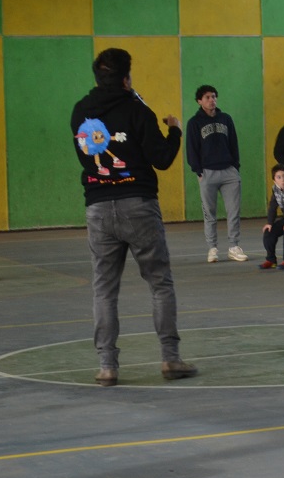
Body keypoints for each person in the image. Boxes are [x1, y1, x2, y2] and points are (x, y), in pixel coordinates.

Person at [71, 47, 197, 386]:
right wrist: (174, 130)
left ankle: (107, 366)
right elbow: (162, 159)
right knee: (160, 283)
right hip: (138, 204)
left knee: (104, 290)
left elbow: (87, 154)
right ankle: (170, 359)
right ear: (126, 78)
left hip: (98, 207)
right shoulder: (137, 110)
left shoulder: (80, 112)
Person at [186, 84, 248, 264]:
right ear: (199, 101)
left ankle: (234, 246)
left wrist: (235, 166)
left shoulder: (226, 119)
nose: (211, 100)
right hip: (207, 173)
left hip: (229, 171)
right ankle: (212, 248)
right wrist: (198, 170)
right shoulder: (194, 122)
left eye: (213, 96)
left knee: (233, 212)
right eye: (207, 97)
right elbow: (192, 148)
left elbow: (233, 143)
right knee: (209, 213)